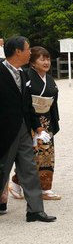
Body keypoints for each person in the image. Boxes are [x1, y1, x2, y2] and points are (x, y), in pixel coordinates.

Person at [0, 36, 56, 222]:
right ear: (18, 52)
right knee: (2, 169)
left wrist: (37, 127)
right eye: (28, 49)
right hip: (5, 131)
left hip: (24, 129)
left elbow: (27, 105)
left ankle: (35, 210)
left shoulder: (23, 74)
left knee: (30, 169)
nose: (30, 52)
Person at [10, 47, 61, 200]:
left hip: (46, 120)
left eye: (48, 59)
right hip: (29, 120)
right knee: (30, 156)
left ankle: (45, 188)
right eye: (42, 59)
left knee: (47, 155)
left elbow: (54, 103)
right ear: (32, 62)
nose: (46, 62)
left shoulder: (50, 80)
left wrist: (54, 123)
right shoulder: (25, 76)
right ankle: (16, 182)